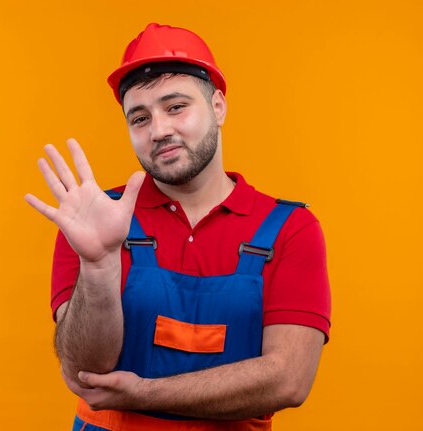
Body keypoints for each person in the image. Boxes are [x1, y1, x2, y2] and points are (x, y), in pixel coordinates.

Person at [25, 23, 331, 431]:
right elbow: (85, 371)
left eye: (175, 107)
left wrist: (143, 394)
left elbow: (288, 379)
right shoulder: (94, 218)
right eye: (139, 117)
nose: (159, 131)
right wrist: (98, 264)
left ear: (218, 107)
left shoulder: (290, 229)